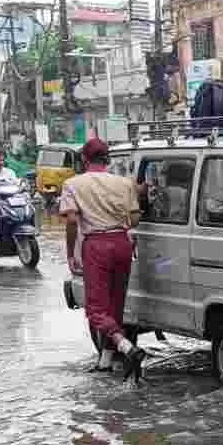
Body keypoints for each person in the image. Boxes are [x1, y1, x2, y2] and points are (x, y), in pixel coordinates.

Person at [59, 139, 147, 380]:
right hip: (122, 243)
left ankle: (126, 347)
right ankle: (105, 361)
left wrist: (70, 253)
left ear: (84, 160)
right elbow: (135, 220)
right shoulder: (125, 184)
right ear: (107, 159)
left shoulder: (72, 184)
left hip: (96, 245)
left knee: (96, 308)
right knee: (115, 304)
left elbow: (72, 221)